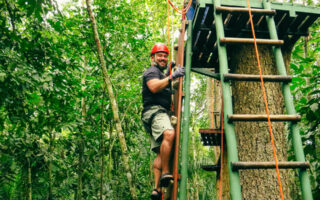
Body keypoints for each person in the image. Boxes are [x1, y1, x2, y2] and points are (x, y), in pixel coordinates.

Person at [141, 43, 185, 200]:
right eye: (159, 55)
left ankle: (156, 189)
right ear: (152, 58)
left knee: (161, 152)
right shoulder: (151, 71)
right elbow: (154, 87)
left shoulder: (159, 73)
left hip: (154, 114)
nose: (163, 58)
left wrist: (169, 71)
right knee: (169, 133)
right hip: (155, 112)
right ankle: (166, 172)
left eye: (165, 56)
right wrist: (172, 75)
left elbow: (163, 81)